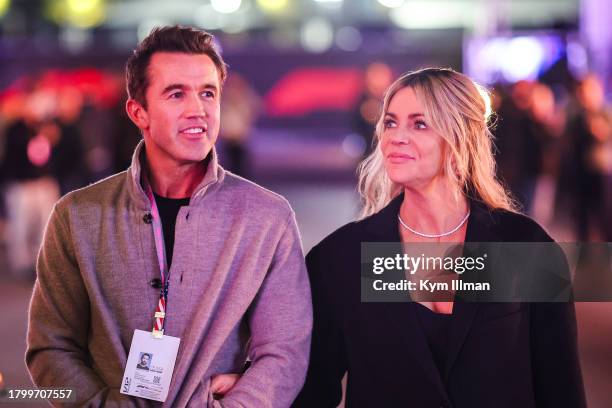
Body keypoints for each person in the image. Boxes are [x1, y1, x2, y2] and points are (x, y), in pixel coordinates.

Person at [26, 26, 312, 407]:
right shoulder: (76, 217)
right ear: (138, 111)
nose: (198, 109)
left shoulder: (266, 218)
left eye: (208, 93)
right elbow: (51, 347)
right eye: (176, 94)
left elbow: (285, 351)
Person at [293, 68, 586, 408]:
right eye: (390, 123)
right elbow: (310, 389)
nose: (396, 137)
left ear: (460, 136)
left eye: (419, 124)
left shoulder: (524, 245)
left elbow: (561, 387)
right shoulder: (340, 258)